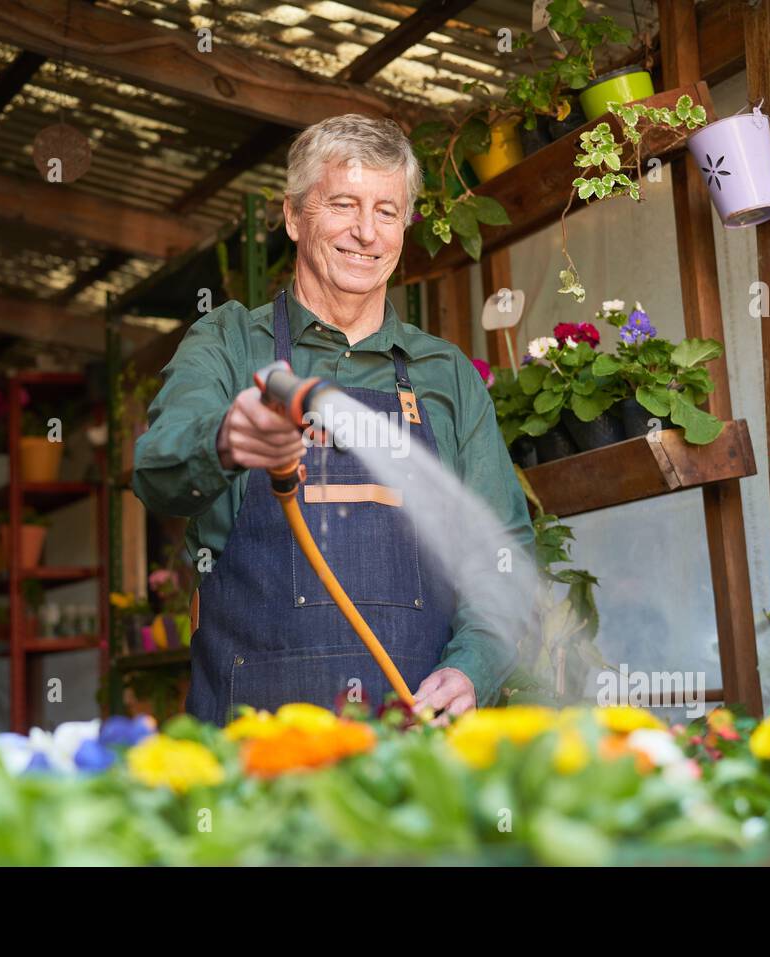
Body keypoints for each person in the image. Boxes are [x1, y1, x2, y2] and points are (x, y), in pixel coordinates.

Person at [132, 113, 534, 726]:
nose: (367, 233)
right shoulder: (231, 343)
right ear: (294, 216)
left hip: (409, 746)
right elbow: (157, 470)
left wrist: (473, 667)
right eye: (343, 204)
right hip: (255, 745)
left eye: (387, 211)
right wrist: (226, 440)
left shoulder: (443, 374)